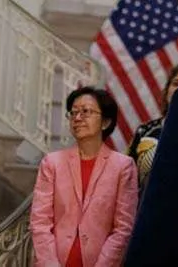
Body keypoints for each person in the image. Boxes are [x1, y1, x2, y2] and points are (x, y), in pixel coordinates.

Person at [31, 86, 138, 267]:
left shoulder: (123, 167)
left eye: (86, 111)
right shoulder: (52, 163)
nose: (77, 118)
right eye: (73, 113)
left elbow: (123, 229)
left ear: (105, 122)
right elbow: (40, 222)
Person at [127, 61, 178, 194]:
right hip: (146, 210)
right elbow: (128, 184)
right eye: (176, 83)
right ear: (167, 90)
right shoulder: (145, 131)